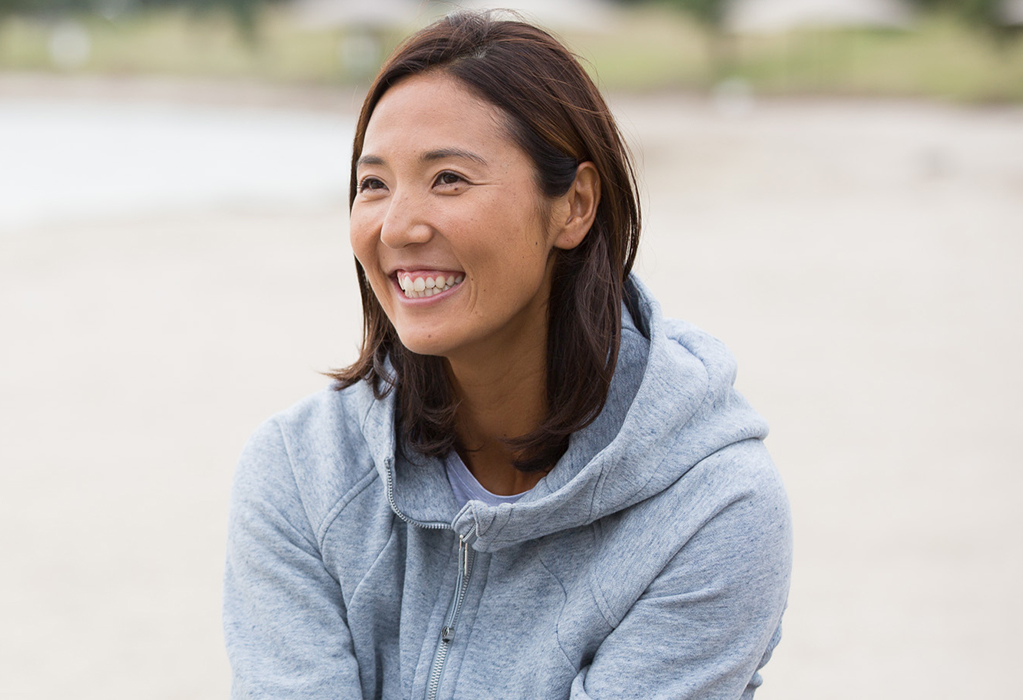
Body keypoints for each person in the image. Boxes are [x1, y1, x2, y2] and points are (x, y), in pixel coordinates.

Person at [222, 11, 791, 700]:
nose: (398, 225)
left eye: (449, 179)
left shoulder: (711, 508)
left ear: (574, 205)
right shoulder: (302, 472)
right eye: (374, 184)